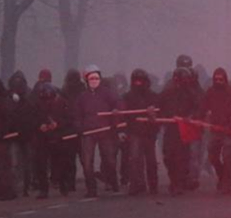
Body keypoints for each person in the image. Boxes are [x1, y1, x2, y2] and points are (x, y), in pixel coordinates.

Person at [73, 65, 120, 197]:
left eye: (95, 77)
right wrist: (80, 128)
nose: (93, 80)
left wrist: (115, 113)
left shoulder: (107, 92)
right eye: (90, 77)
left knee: (110, 159)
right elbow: (77, 116)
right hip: (88, 133)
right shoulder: (81, 97)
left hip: (105, 132)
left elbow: (117, 104)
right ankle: (91, 189)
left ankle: (113, 182)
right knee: (87, 162)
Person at [159, 67, 202, 195]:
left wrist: (191, 117)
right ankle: (175, 180)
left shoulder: (191, 93)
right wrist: (164, 116)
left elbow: (198, 107)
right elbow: (158, 107)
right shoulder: (167, 93)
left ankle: (179, 182)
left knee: (182, 156)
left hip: (184, 129)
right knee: (168, 156)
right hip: (171, 128)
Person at [32, 83, 73, 199]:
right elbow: (33, 119)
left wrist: (58, 124)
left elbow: (69, 119)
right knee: (41, 164)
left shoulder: (62, 103)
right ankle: (43, 189)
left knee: (60, 162)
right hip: (42, 138)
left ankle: (62, 183)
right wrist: (39, 126)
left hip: (57, 137)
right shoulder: (37, 105)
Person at [123, 68, 160, 196]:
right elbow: (124, 115)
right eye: (136, 81)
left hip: (149, 133)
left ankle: (153, 185)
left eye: (140, 81)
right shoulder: (127, 97)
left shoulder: (153, 96)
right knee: (134, 159)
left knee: (150, 160)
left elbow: (159, 113)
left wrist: (153, 113)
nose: (138, 84)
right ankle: (136, 184)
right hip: (134, 132)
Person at [202, 67, 231, 193]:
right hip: (214, 129)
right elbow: (203, 107)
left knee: (227, 157)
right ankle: (222, 176)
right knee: (212, 157)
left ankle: (226, 183)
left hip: (228, 130)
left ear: (225, 79)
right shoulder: (210, 92)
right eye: (216, 79)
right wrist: (196, 118)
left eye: (221, 79)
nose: (218, 81)